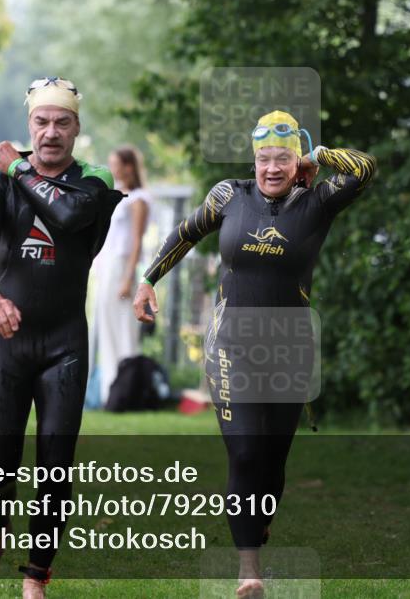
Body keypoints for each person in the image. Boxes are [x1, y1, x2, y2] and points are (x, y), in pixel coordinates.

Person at [133, 110, 377, 598]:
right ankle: (250, 570)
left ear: (295, 159)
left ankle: (257, 522)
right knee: (244, 452)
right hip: (232, 347)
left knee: (271, 459)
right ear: (253, 158)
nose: (271, 168)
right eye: (264, 158)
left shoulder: (318, 201)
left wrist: (317, 156)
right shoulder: (229, 196)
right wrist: (147, 280)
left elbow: (364, 168)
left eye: (282, 158)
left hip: (291, 349)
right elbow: (185, 233)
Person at [0, 76, 123, 599]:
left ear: (77, 128)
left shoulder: (94, 180)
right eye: (41, 121)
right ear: (29, 124)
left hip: (64, 345)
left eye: (62, 122)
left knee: (56, 463)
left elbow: (69, 214)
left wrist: (17, 164)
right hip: (6, 342)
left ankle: (36, 576)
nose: (51, 132)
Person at [86, 145, 151, 408]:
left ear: (128, 166)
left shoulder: (138, 199)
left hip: (121, 267)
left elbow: (136, 240)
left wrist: (128, 277)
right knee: (104, 327)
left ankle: (124, 389)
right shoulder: (115, 194)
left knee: (122, 329)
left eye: (116, 163)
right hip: (107, 267)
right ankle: (107, 390)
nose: (112, 168)